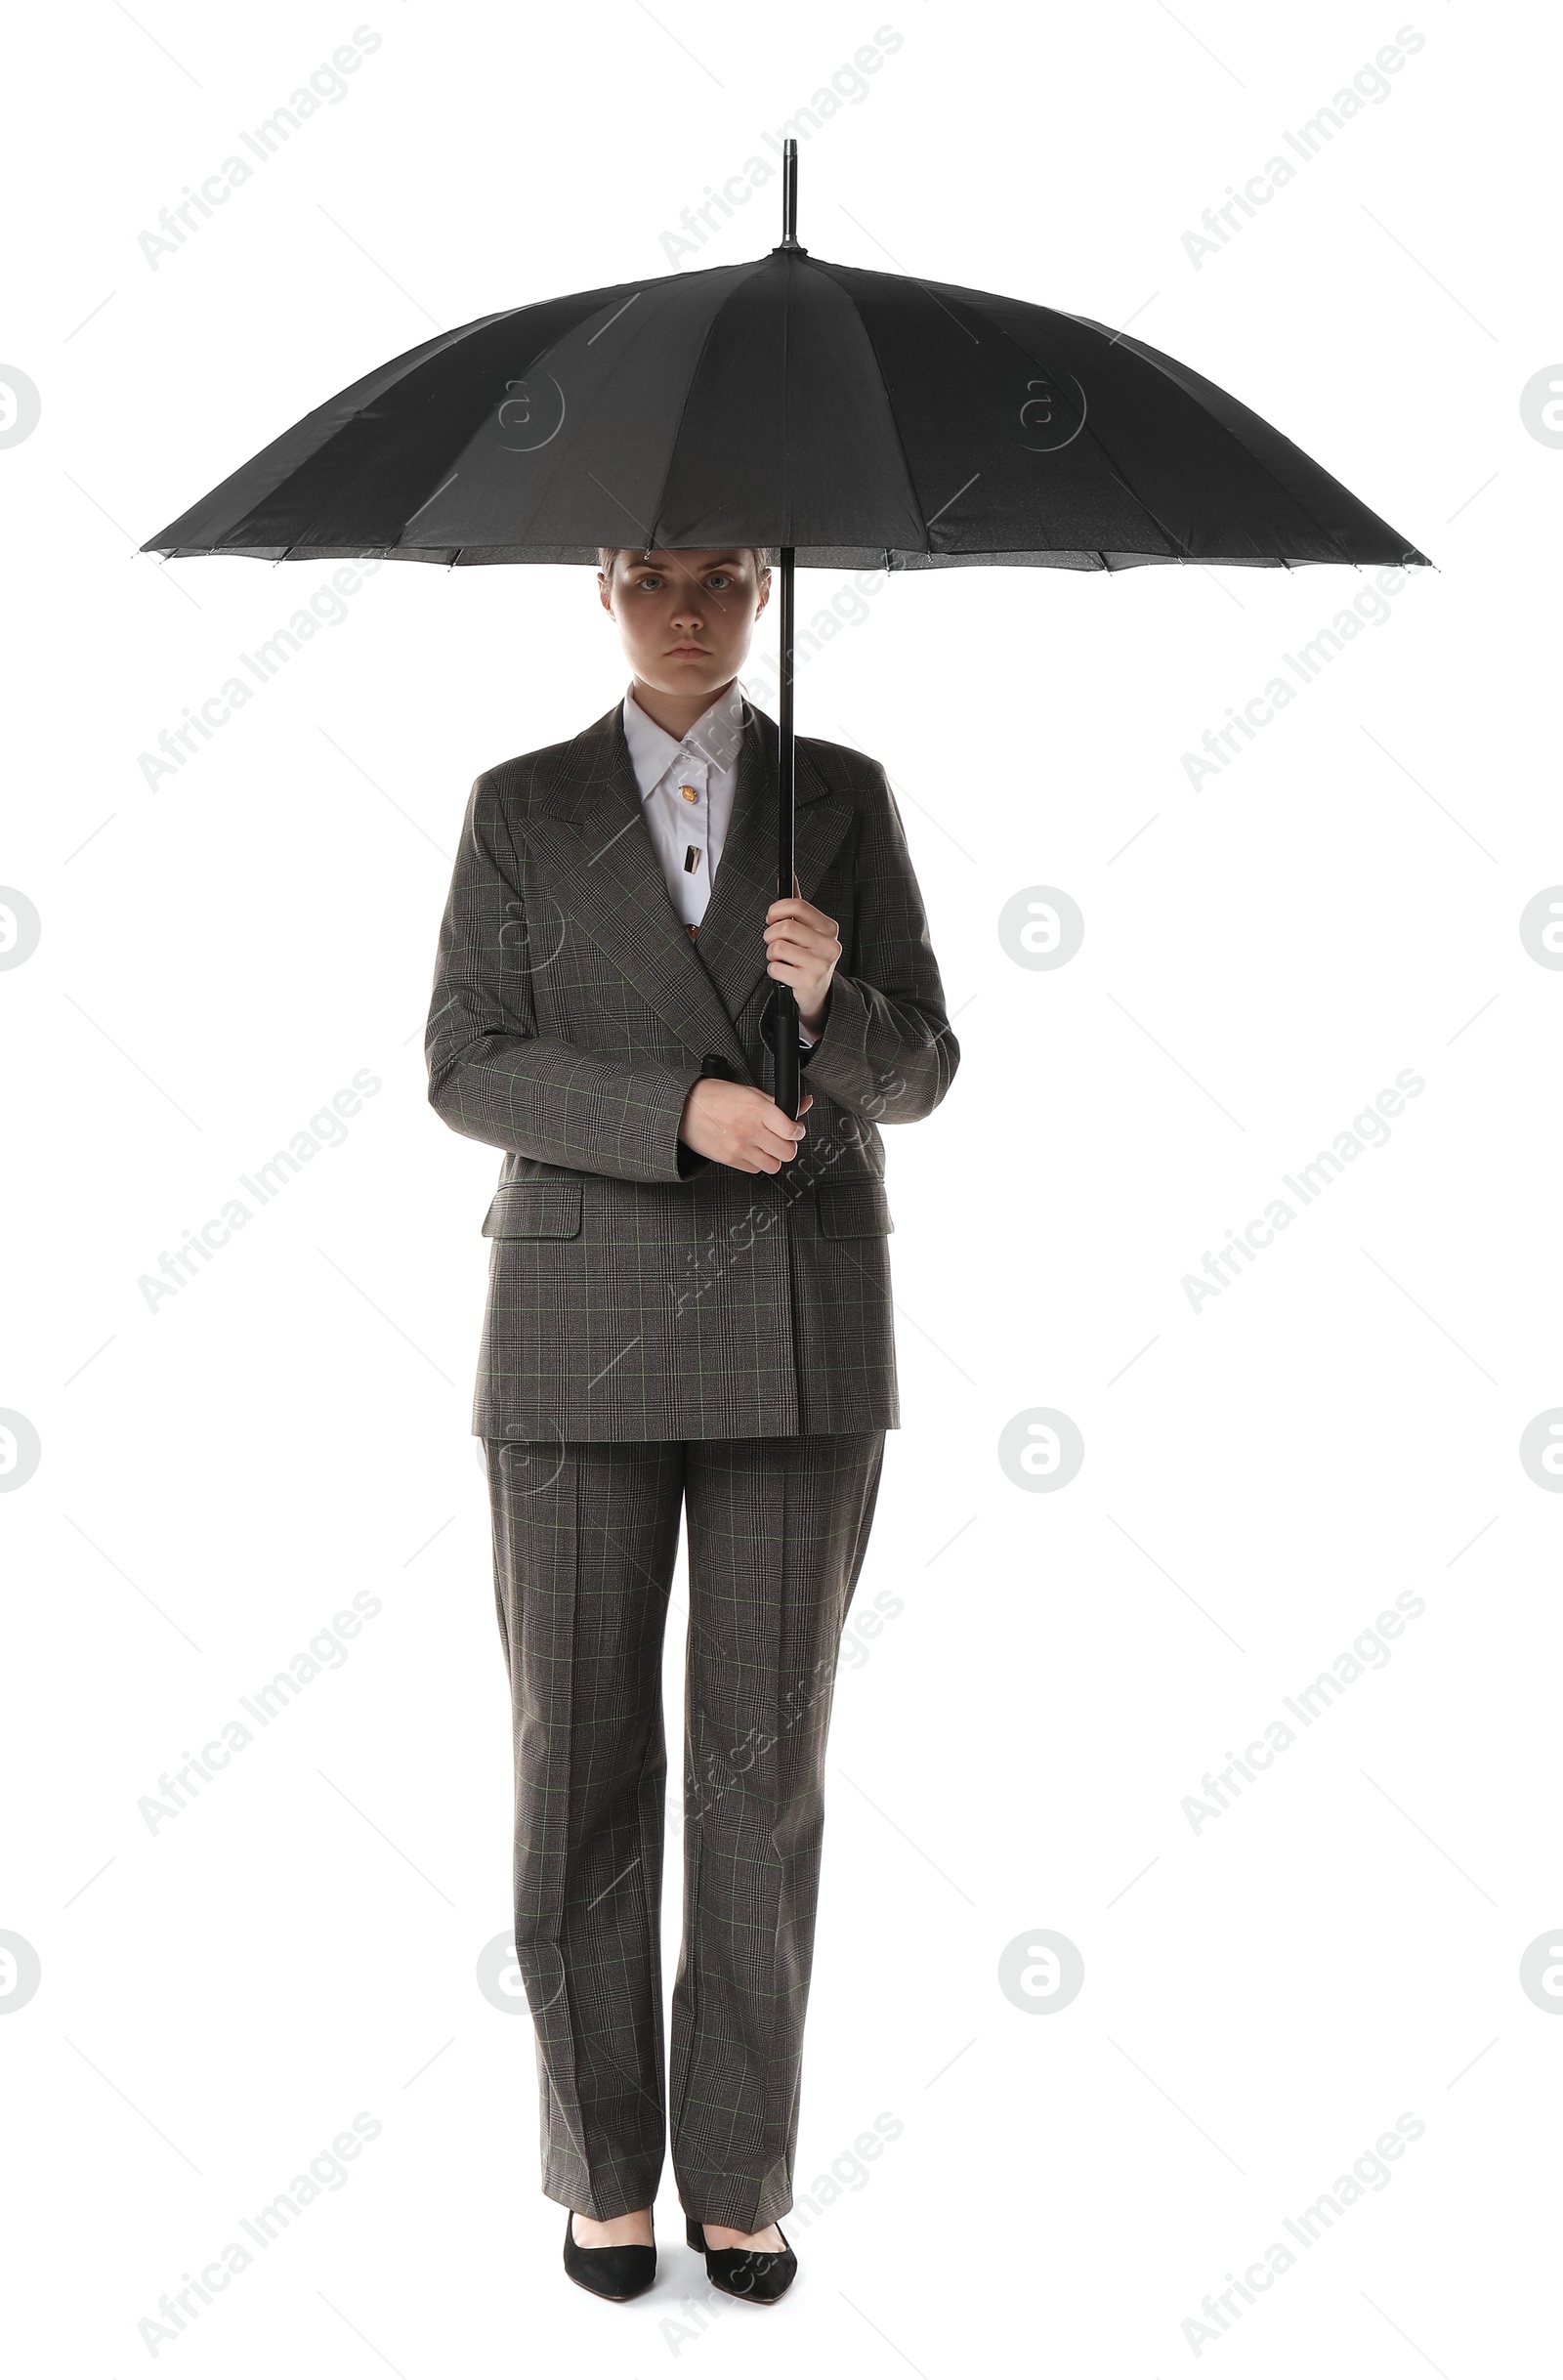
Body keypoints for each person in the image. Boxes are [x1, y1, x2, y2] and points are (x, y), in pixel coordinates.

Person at [425, 544, 957, 2304]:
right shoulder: (518, 807)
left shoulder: (845, 800)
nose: (690, 608)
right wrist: (682, 1110)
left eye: (726, 576)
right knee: (576, 1757)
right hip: (578, 1320)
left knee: (759, 1773)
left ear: (758, 590)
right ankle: (602, 2174)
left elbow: (924, 1069)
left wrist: (833, 1001)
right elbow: (465, 1064)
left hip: (798, 1330)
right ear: (601, 586)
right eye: (653, 575)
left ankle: (739, 2175)